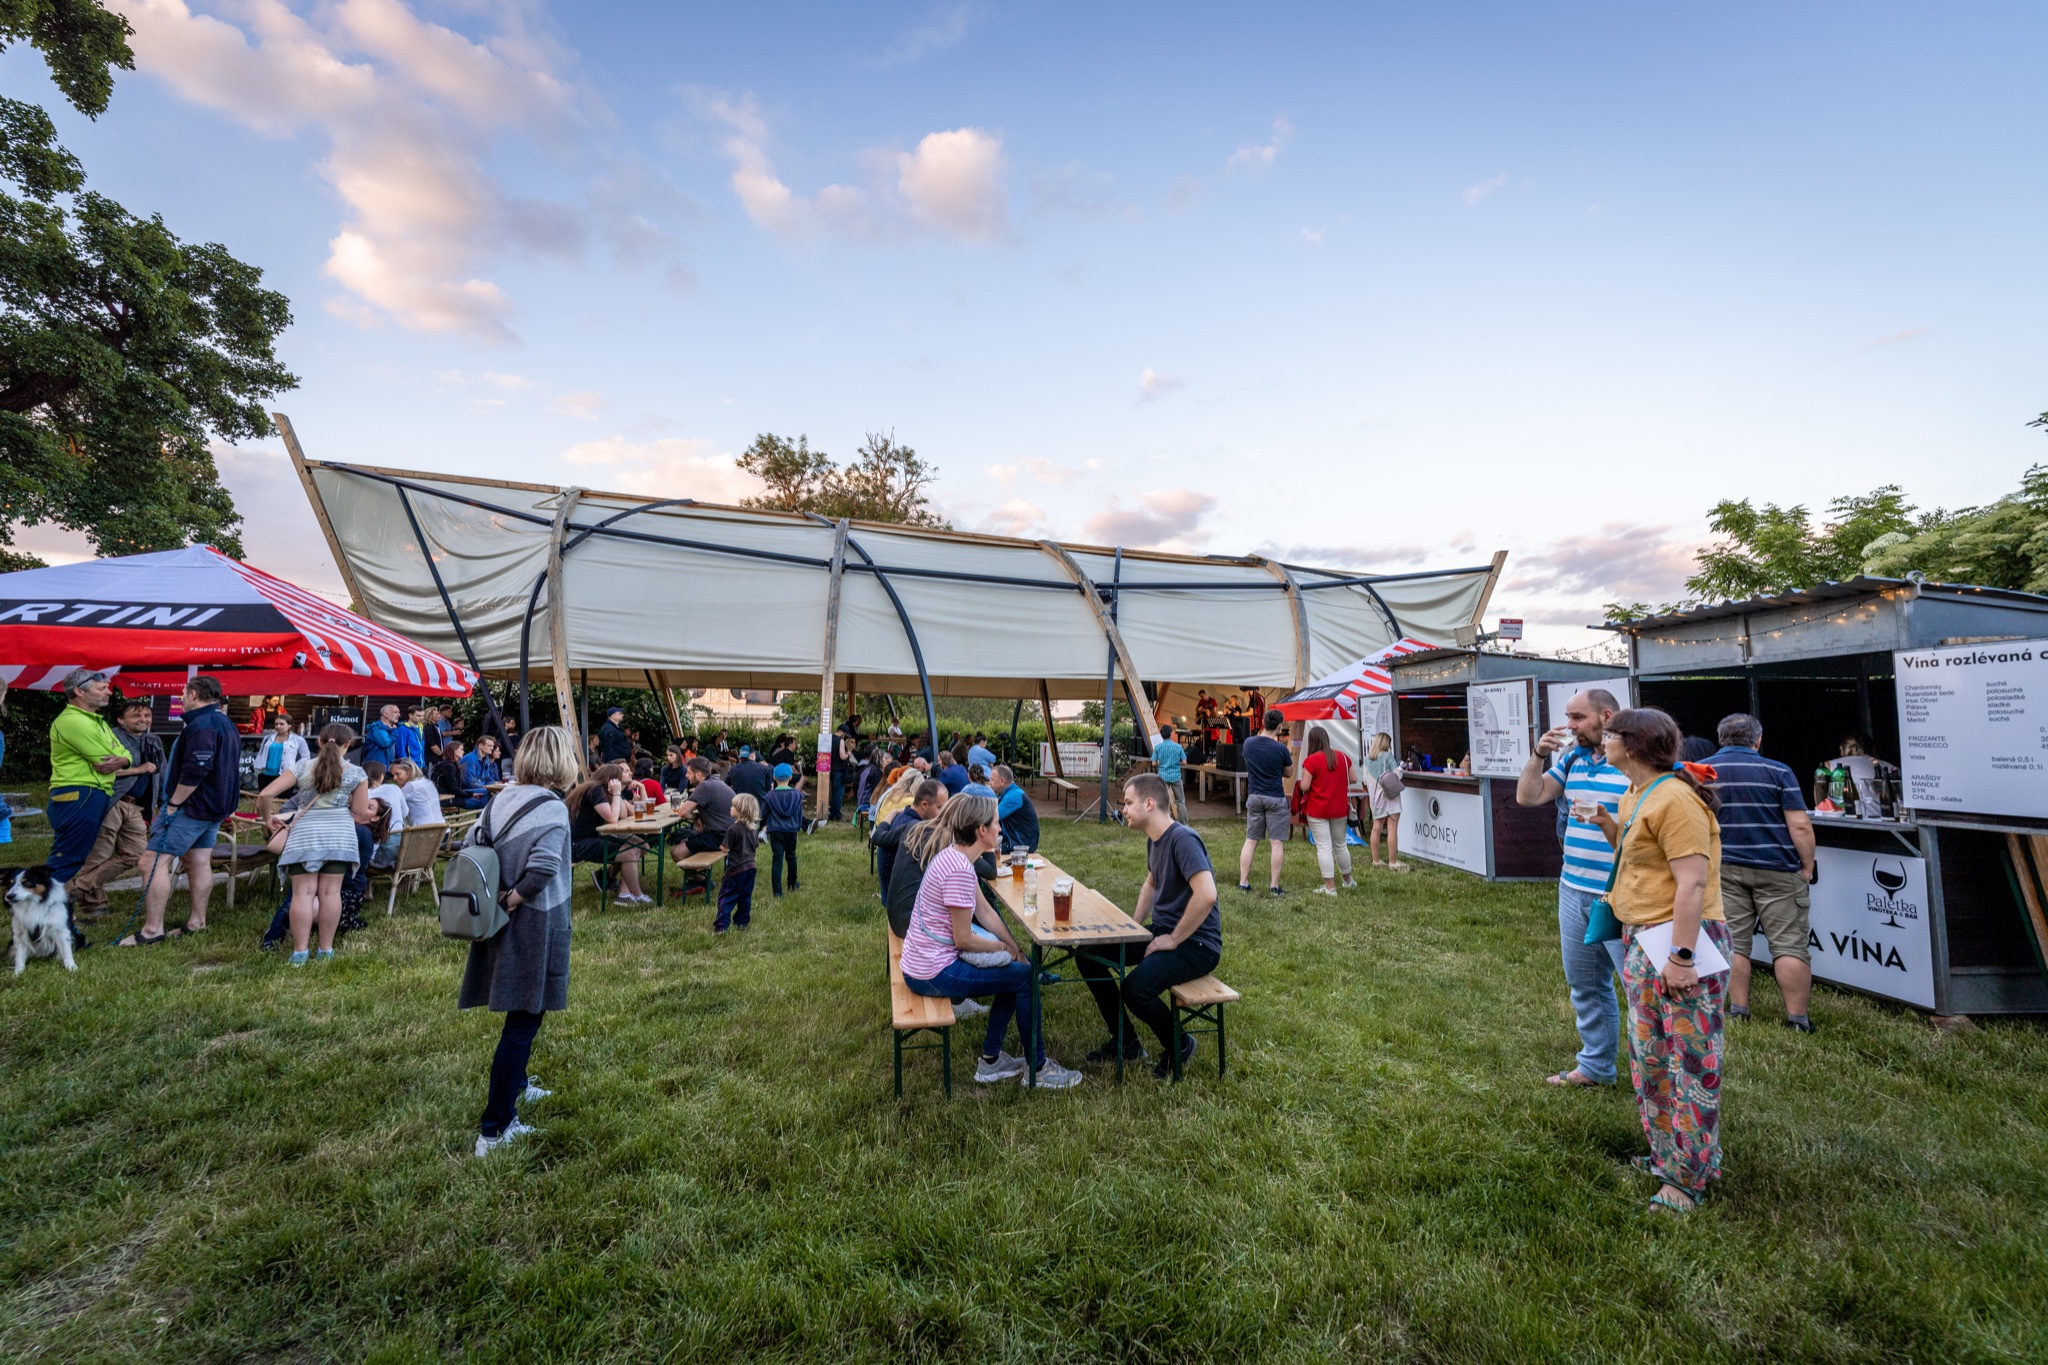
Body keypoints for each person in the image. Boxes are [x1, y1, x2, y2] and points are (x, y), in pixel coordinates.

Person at [1589, 707, 1732, 1216]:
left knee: (1689, 1060)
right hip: (1643, 940)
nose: (1602, 740)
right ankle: (1666, 1155)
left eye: (1609, 734)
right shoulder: (1636, 793)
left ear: (1632, 745)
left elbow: (1692, 882)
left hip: (1681, 942)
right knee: (1649, 1056)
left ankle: (1686, 1179)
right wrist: (1610, 825)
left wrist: (1682, 958)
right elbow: (1638, 859)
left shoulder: (1676, 799)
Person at [897, 794, 1083, 1089]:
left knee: (1017, 973)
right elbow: (964, 939)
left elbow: (984, 912)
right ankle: (1037, 1069)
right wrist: (1003, 948)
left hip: (922, 962)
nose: (1000, 828)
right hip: (930, 972)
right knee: (1024, 979)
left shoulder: (957, 857)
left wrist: (1016, 949)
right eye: (996, 823)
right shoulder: (959, 870)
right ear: (981, 830)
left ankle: (992, 1061)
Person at [461, 725, 578, 1157]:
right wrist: (513, 899)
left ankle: (520, 1084)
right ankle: (494, 1129)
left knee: (520, 1009)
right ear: (562, 761)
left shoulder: (501, 798)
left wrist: (499, 898)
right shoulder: (552, 807)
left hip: (497, 919)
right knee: (524, 1020)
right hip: (532, 921)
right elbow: (543, 868)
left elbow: (471, 844)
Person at [1513, 688, 1630, 1088]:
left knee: (1638, 988)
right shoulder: (1572, 758)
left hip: (1620, 891)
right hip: (1573, 887)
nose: (1569, 726)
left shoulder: (1632, 760)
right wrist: (1538, 755)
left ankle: (1657, 1075)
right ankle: (1596, 1067)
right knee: (1585, 984)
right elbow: (1528, 796)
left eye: (1578, 718)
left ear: (1607, 717)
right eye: (1568, 717)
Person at [1080, 773, 1222, 1079]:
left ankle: (1179, 1044)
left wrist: (1173, 939)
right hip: (1163, 933)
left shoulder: (1183, 839)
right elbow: (1151, 883)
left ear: (1149, 803)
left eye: (1128, 803)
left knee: (1136, 989)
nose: (1123, 810)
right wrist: (1132, 927)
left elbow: (1207, 895)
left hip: (1197, 945)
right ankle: (1126, 1041)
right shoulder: (1155, 839)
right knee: (1088, 955)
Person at [1709, 713, 1817, 1032]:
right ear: (1758, 741)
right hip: (1778, 869)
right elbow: (1800, 825)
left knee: (1734, 942)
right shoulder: (1779, 771)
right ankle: (1798, 1020)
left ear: (1720, 739)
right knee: (1789, 944)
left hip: (1725, 868)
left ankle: (1739, 1010)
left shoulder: (1699, 772)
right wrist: (1807, 865)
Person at [123, 675, 242, 946]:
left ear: (193, 694)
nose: (181, 698)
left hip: (191, 807)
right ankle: (197, 923)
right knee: (197, 861)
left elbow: (197, 768)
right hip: (214, 808)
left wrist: (174, 803)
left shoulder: (202, 724)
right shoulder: (225, 722)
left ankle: (152, 931)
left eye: (183, 693)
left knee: (152, 862)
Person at [259, 722, 373, 965]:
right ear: (348, 745)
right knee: (331, 894)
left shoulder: (302, 767)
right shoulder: (357, 773)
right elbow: (360, 810)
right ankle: (325, 951)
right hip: (339, 836)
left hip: (304, 835)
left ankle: (299, 952)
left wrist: (268, 818)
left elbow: (265, 794)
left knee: (302, 894)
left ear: (319, 742)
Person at [68, 698, 164, 916]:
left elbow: (161, 774)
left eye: (147, 715)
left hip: (137, 806)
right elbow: (99, 768)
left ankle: (77, 889)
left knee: (137, 855)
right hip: (111, 801)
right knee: (98, 855)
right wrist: (139, 769)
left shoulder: (153, 741)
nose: (143, 719)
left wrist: (162, 804)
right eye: (136, 715)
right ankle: (94, 905)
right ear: (121, 719)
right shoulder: (109, 737)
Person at [46, 670, 131, 913]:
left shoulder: (97, 721)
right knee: (66, 860)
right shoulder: (72, 720)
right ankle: (43, 916)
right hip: (78, 794)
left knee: (72, 858)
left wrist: (123, 760)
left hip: (92, 793)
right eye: (101, 688)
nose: (108, 692)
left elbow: (125, 754)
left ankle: (61, 918)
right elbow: (103, 758)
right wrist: (121, 758)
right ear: (79, 691)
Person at [568, 762, 650, 904]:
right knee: (629, 851)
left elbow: (622, 815)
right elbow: (612, 818)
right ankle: (635, 895)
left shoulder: (602, 790)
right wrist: (617, 793)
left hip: (591, 838)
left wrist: (617, 793)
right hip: (576, 845)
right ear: (611, 779)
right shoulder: (595, 790)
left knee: (640, 844)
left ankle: (624, 892)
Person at [1294, 725, 1355, 895]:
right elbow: (1353, 778)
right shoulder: (1342, 756)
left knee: (1324, 847)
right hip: (1339, 808)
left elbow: (1305, 786)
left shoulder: (1311, 760)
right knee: (1340, 845)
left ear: (1312, 742)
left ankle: (1330, 887)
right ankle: (1347, 880)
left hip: (1318, 809)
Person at [1236, 708, 1291, 895]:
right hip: (1275, 796)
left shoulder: (1248, 743)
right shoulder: (1281, 749)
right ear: (1280, 726)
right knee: (1276, 843)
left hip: (1254, 795)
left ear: (1263, 723)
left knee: (1250, 841)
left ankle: (1243, 882)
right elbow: (1289, 772)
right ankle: (1274, 885)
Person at [874, 778, 946, 897]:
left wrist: (893, 812)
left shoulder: (902, 817)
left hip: (892, 892)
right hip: (903, 897)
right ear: (924, 805)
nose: (943, 813)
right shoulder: (915, 829)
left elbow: (878, 836)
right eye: (940, 807)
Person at [714, 794, 762, 932]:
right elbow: (756, 845)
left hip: (735, 869)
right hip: (750, 867)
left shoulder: (733, 829)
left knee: (726, 897)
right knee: (745, 897)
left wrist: (721, 847)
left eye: (733, 806)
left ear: (741, 810)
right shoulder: (754, 828)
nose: (730, 808)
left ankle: (721, 925)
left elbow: (726, 848)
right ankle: (742, 922)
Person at [670, 756, 735, 858]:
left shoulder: (704, 786)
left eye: (689, 773)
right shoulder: (716, 781)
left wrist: (696, 817)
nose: (686, 775)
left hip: (721, 837)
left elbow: (682, 812)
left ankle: (697, 869)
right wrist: (699, 817)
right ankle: (698, 866)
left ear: (698, 775)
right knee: (686, 840)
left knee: (676, 852)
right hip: (730, 833)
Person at [1362, 731, 1404, 870]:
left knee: (1376, 828)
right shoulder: (1388, 756)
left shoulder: (1366, 759)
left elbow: (1365, 780)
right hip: (1391, 797)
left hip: (1375, 799)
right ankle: (1393, 862)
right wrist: (1401, 769)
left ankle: (1376, 860)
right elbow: (1397, 775)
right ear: (1386, 743)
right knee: (1392, 829)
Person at [765, 764, 805, 896]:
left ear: (774, 778)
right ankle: (792, 883)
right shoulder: (797, 795)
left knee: (777, 859)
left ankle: (777, 891)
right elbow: (799, 814)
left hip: (775, 830)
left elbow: (763, 814)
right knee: (791, 856)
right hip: (791, 830)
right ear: (791, 777)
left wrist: (764, 827)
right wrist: (798, 827)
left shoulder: (770, 796)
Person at [361, 760, 408, 869]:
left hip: (375, 853)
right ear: (382, 777)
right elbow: (405, 813)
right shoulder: (393, 788)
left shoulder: (361, 795)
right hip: (400, 848)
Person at [991, 765, 1039, 853]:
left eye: (992, 779)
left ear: (1002, 781)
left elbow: (992, 816)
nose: (990, 782)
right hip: (1013, 840)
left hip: (1021, 844)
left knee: (984, 850)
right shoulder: (1006, 793)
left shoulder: (1014, 795)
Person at [257, 713, 310, 783]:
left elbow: (306, 757)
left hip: (286, 775)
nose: (278, 726)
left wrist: (295, 768)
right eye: (276, 724)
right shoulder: (267, 738)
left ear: (289, 725)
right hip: (265, 774)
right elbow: (260, 754)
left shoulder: (298, 740)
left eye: (281, 724)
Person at [1151, 724, 1189, 821]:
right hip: (1176, 776)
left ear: (1161, 735)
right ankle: (1184, 824)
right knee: (1180, 802)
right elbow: (1184, 762)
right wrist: (1177, 763)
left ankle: (1166, 823)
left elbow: (1154, 763)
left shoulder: (1158, 747)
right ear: (1171, 734)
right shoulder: (1178, 747)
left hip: (1163, 776)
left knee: (1164, 801)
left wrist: (1161, 763)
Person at [393, 758, 443, 829]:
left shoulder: (411, 786)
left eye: (397, 774)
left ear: (409, 771)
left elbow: (390, 802)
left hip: (426, 831)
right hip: (442, 828)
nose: (394, 778)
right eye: (393, 775)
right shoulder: (425, 781)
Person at [458, 736, 501, 809]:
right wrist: (488, 788)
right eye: (489, 746)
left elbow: (488, 779)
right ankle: (485, 815)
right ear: (480, 746)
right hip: (465, 791)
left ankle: (486, 815)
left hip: (479, 788)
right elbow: (470, 782)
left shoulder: (486, 759)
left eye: (492, 746)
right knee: (489, 793)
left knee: (498, 792)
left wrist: (494, 787)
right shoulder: (470, 759)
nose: (492, 748)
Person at [363, 704, 402, 769]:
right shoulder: (377, 728)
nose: (399, 715)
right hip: (375, 766)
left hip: (385, 766)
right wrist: (394, 732)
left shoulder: (390, 729)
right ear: (386, 714)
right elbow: (386, 743)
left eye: (399, 712)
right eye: (395, 712)